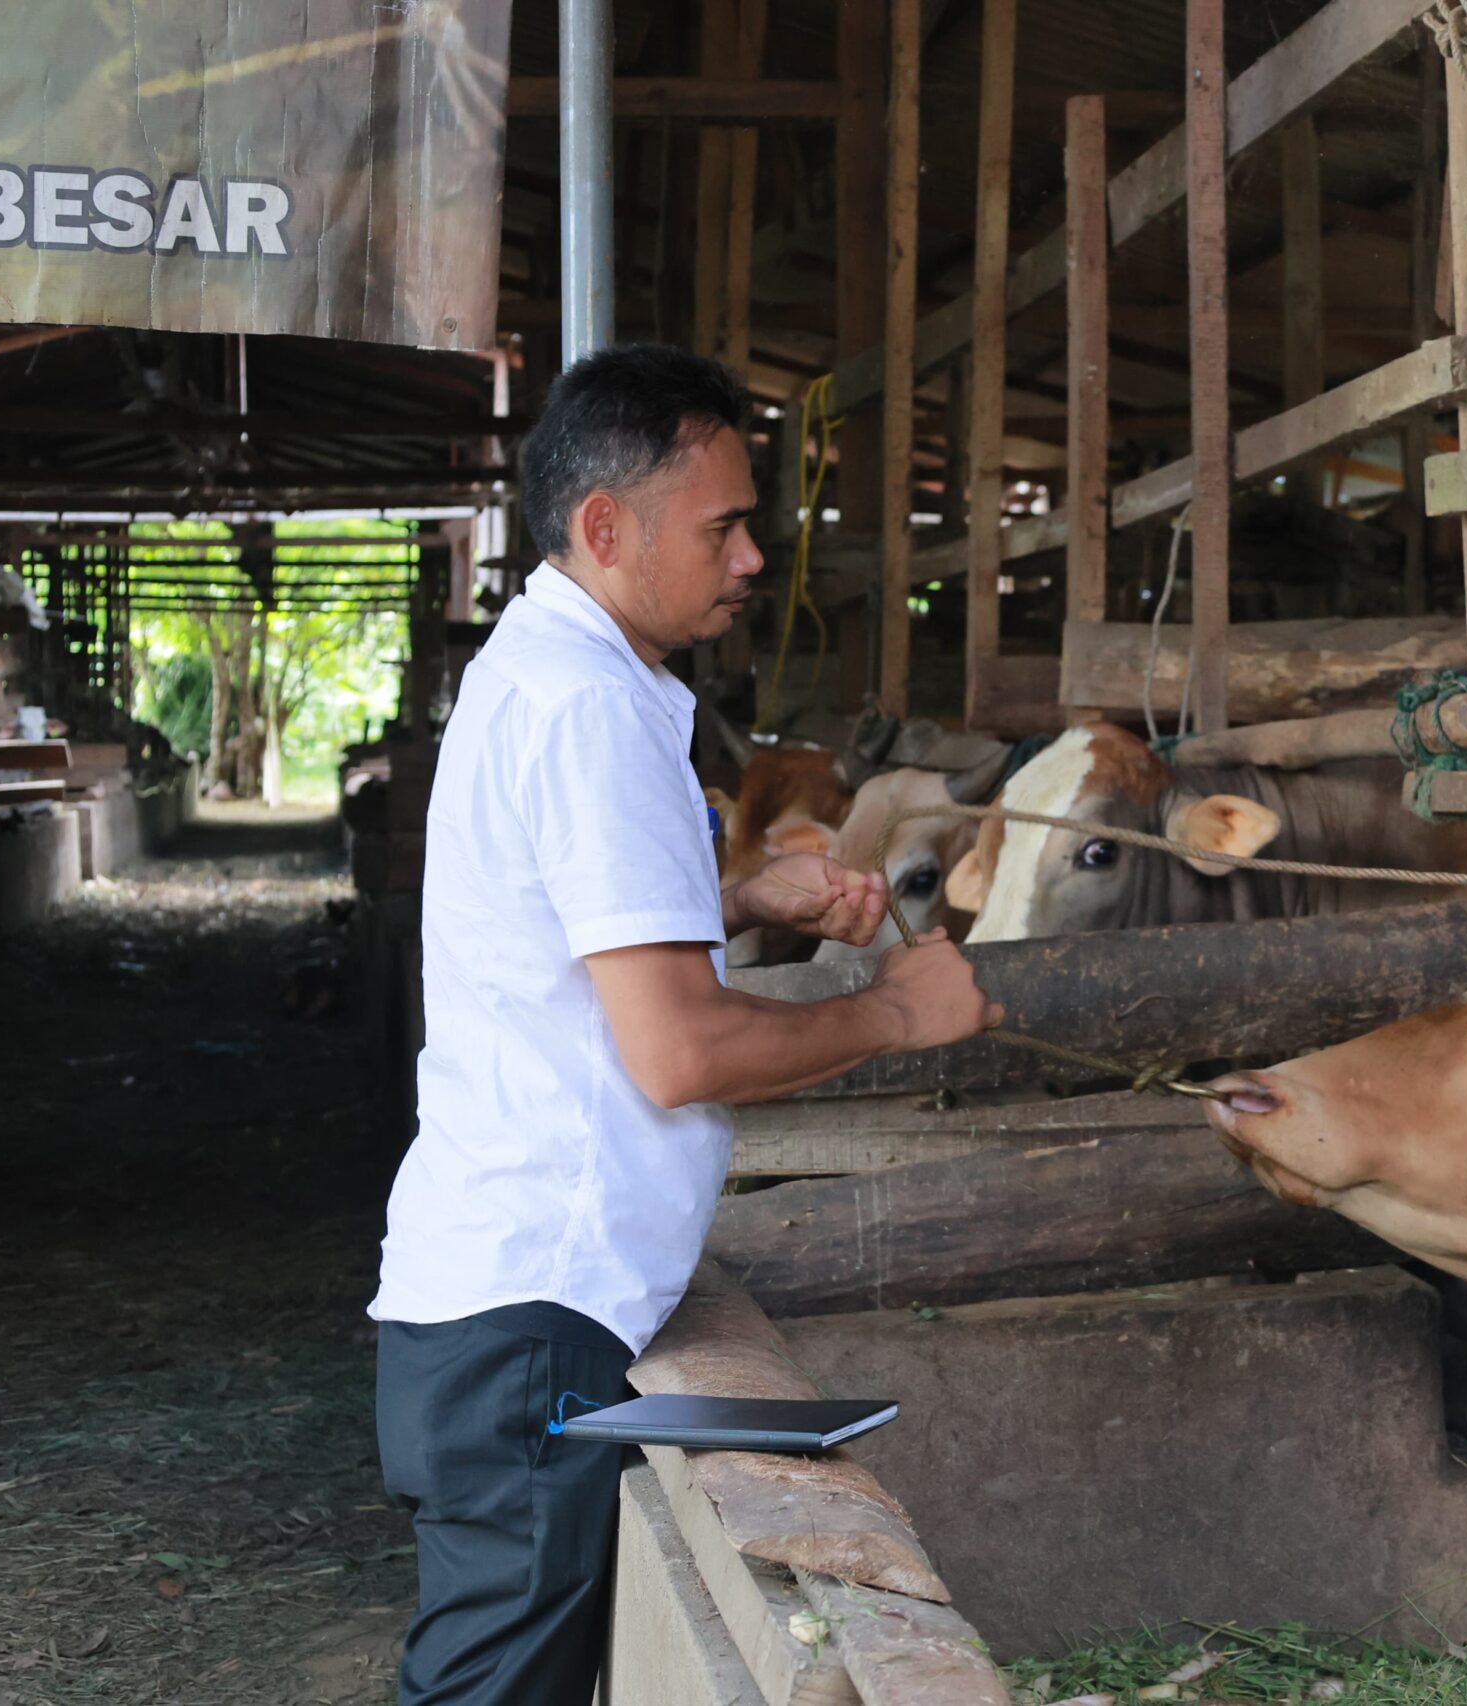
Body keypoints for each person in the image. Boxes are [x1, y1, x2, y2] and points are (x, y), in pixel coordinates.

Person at [368, 344, 1001, 1706]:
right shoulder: (589, 702)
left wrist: (730, 888)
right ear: (606, 526)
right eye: (721, 524)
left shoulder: (541, 669)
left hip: (501, 1294)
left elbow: (556, 922)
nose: (754, 557)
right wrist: (894, 1007)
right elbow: (679, 1051)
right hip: (530, 1307)